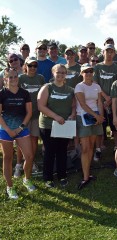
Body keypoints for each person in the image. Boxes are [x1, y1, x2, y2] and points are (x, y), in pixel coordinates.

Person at [38, 64, 75, 188]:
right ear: (53, 73)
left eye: (63, 73)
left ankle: (62, 175)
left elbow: (74, 106)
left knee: (62, 151)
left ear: (66, 74)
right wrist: (56, 117)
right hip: (48, 125)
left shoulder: (70, 90)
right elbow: (41, 106)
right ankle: (48, 178)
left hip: (64, 125)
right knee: (49, 151)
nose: (60, 75)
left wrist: (72, 115)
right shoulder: (47, 87)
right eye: (58, 72)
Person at [0, 68, 35, 199]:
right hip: (5, 130)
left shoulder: (24, 93)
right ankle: (10, 187)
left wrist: (20, 128)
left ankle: (26, 179)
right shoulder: (1, 94)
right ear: (5, 79)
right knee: (8, 158)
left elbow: (29, 113)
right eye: (10, 77)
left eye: (15, 77)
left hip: (21, 129)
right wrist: (9, 130)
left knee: (30, 156)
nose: (13, 79)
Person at [75, 63, 104, 189]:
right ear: (82, 73)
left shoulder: (96, 86)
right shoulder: (79, 86)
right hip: (83, 117)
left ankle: (88, 172)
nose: (88, 73)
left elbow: (100, 102)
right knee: (86, 148)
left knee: (91, 146)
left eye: (90, 71)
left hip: (96, 117)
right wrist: (96, 116)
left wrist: (101, 116)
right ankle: (85, 177)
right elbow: (82, 104)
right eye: (86, 71)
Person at [14, 57, 45, 178]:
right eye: (30, 65)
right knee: (21, 141)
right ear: (25, 66)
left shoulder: (41, 78)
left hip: (37, 114)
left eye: (34, 65)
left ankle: (31, 162)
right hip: (23, 115)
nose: (32, 68)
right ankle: (18, 164)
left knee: (33, 139)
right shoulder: (20, 78)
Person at [93, 44, 117, 159]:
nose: (109, 54)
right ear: (103, 52)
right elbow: (95, 83)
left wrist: (110, 99)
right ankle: (98, 149)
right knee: (99, 127)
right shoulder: (97, 67)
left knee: (115, 127)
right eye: (107, 51)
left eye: (111, 52)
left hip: (113, 101)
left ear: (114, 53)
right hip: (99, 101)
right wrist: (105, 97)